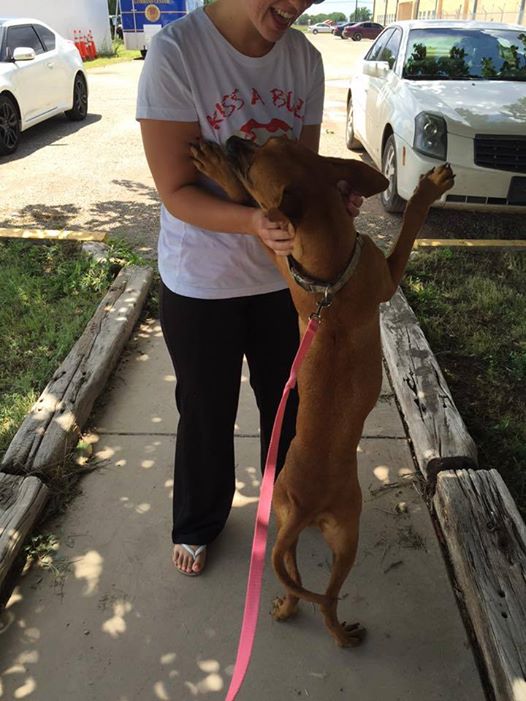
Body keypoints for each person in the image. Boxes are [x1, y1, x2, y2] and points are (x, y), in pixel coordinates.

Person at [136, 0, 362, 576]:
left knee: (287, 407)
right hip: (201, 280)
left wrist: (333, 198)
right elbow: (177, 188)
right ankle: (197, 522)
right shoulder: (176, 53)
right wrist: (252, 222)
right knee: (206, 410)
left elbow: (301, 174)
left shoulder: (304, 61)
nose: (298, 5)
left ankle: (286, 502)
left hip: (284, 282)